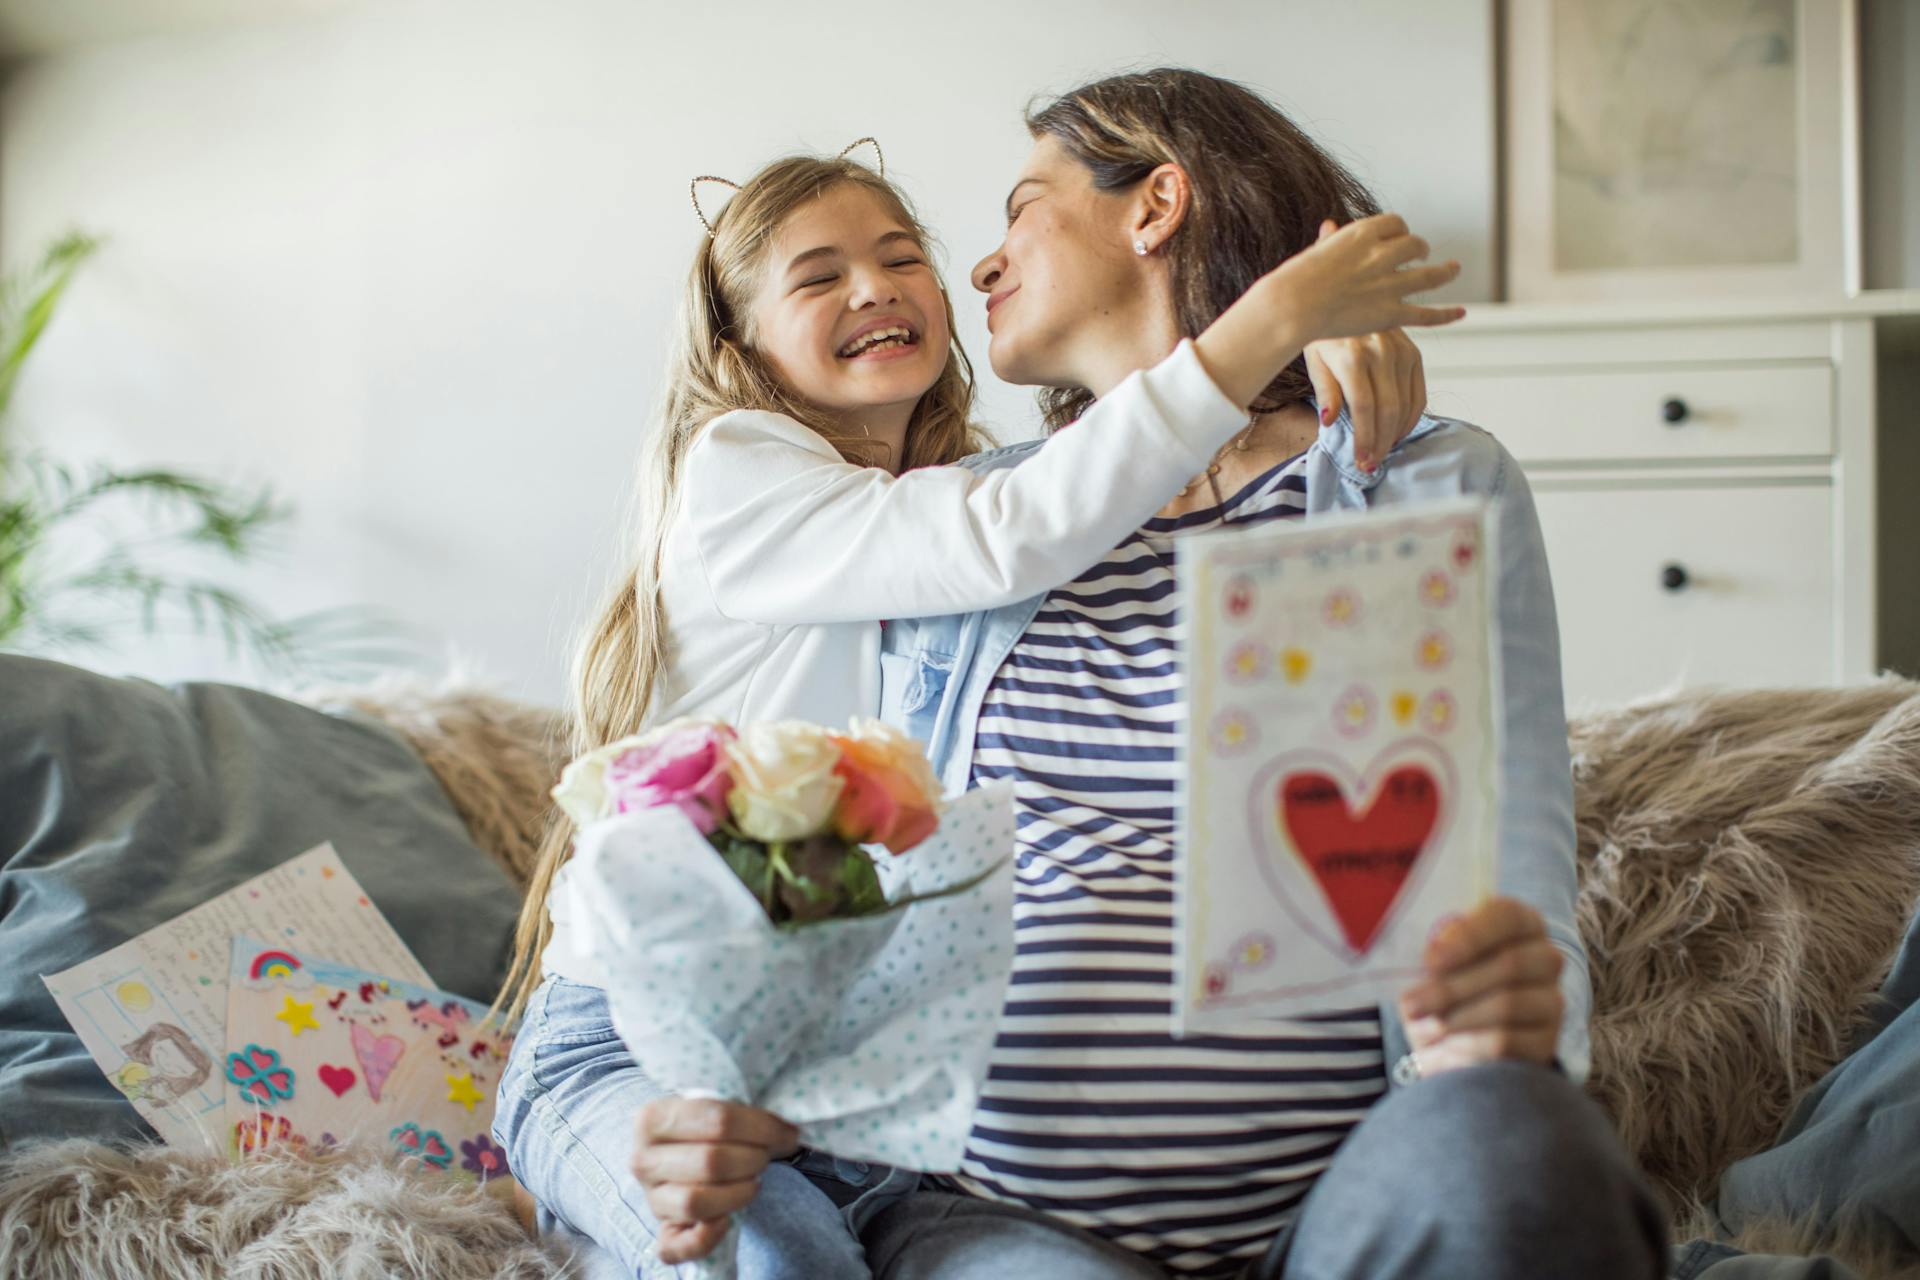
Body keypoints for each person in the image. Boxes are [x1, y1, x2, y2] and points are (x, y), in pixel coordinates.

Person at [493, 131, 1460, 1277]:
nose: (876, 286)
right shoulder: (739, 470)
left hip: (842, 1078)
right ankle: (592, 1205)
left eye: (904, 257)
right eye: (818, 276)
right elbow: (1020, 530)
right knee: (768, 1262)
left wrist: (1314, 369)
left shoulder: (952, 502)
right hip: (638, 1040)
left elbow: (1066, 502)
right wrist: (1271, 325)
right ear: (739, 342)